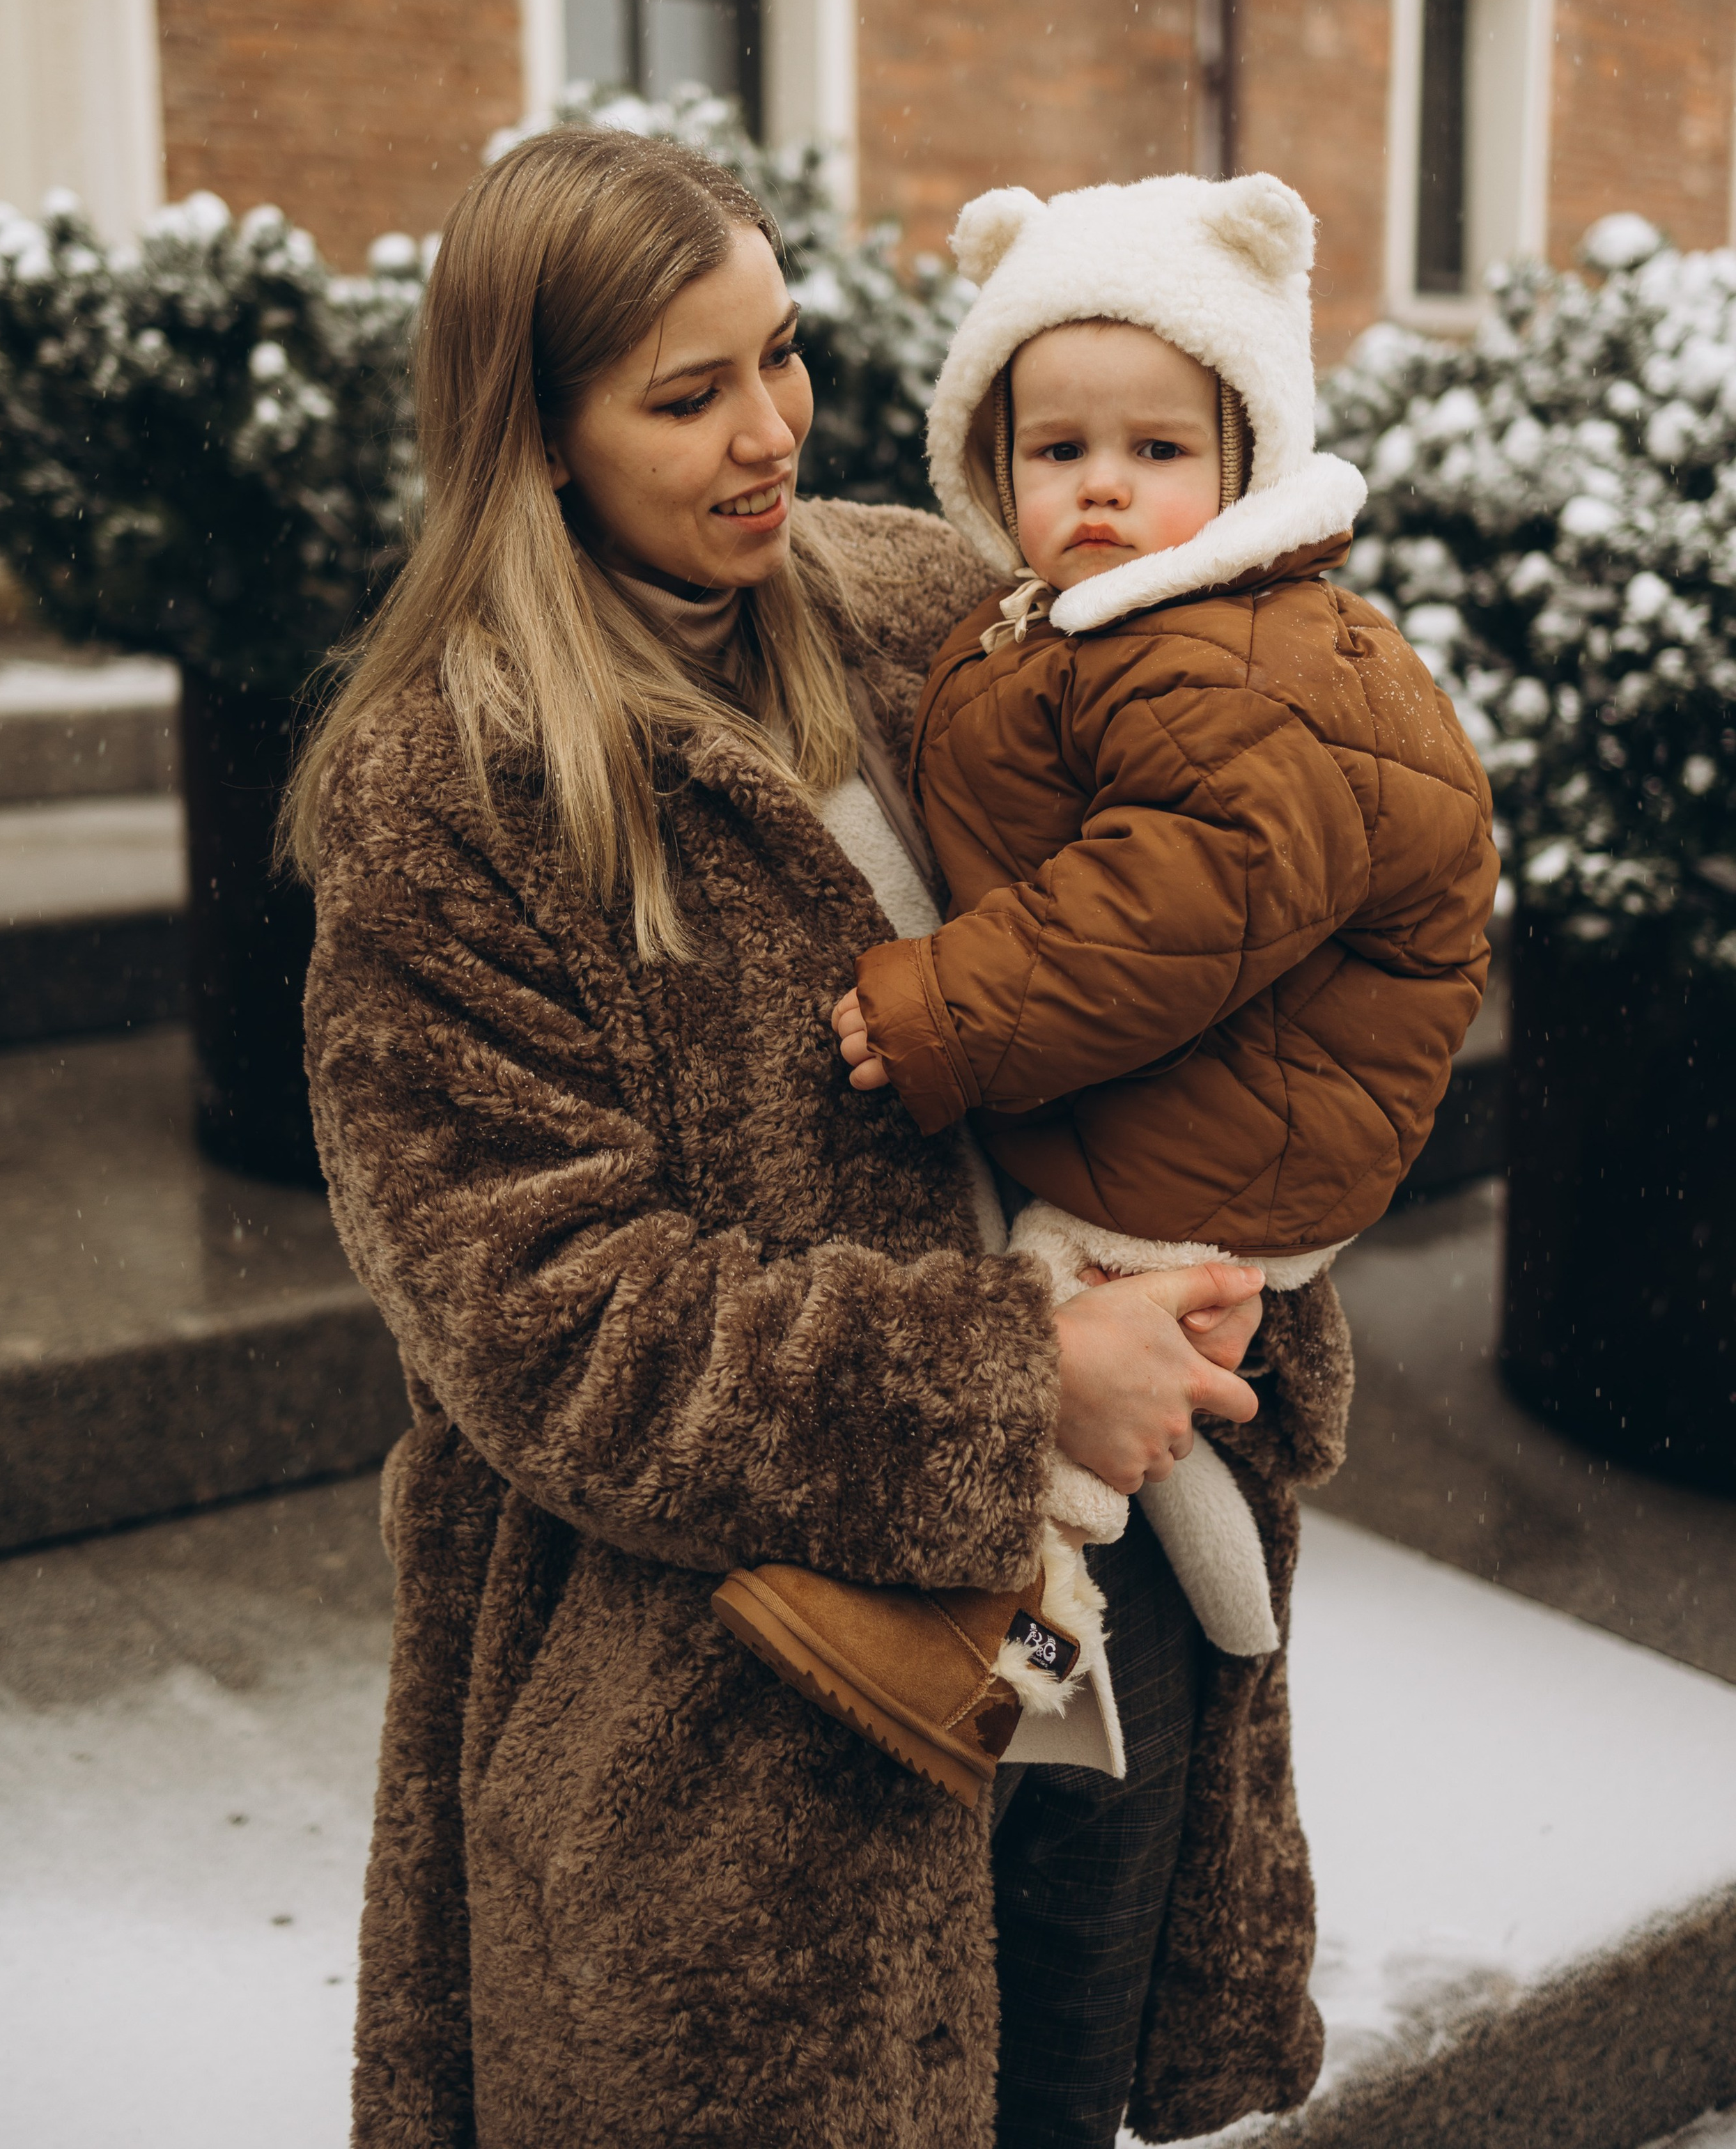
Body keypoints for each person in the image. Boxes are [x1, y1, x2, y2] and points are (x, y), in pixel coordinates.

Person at [288, 127, 1354, 2149]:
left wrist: (1232, 1234)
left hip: (1110, 1619)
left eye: (783, 354)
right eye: (688, 398)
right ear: (537, 437)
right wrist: (1016, 1377)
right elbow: (552, 1317)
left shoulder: (927, 594)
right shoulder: (448, 792)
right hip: (745, 1746)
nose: (771, 429)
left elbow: (1232, 866)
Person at [725, 169, 1495, 1784]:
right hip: (1238, 1080)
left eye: (1156, 453)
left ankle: (1007, 1639)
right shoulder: (1079, 628)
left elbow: (1179, 896)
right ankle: (1206, 1587)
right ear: (988, 462)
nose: (1100, 489)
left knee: (1060, 1335)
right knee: (1102, 1306)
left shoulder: (1234, 651)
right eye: (1054, 450)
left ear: (1239, 462)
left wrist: (943, 1009)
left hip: (1262, 1101)